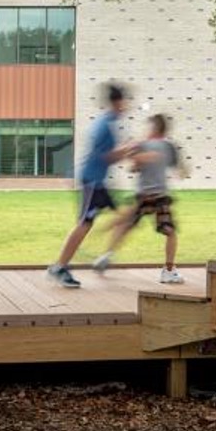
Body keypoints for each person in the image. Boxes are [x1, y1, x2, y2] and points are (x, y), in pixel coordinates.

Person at [46, 82, 132, 288]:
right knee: (84, 224)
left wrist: (126, 150)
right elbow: (104, 157)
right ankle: (60, 266)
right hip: (92, 182)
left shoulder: (108, 122)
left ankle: (103, 256)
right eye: (125, 101)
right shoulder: (105, 126)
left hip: (99, 183)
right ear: (117, 102)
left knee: (126, 216)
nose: (127, 105)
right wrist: (128, 150)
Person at [93, 114, 186, 284]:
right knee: (169, 232)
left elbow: (134, 168)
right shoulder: (168, 146)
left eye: (149, 126)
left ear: (155, 128)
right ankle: (169, 271)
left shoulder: (149, 145)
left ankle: (105, 257)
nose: (146, 129)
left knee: (124, 226)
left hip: (146, 196)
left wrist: (133, 154)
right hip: (157, 196)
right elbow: (179, 170)